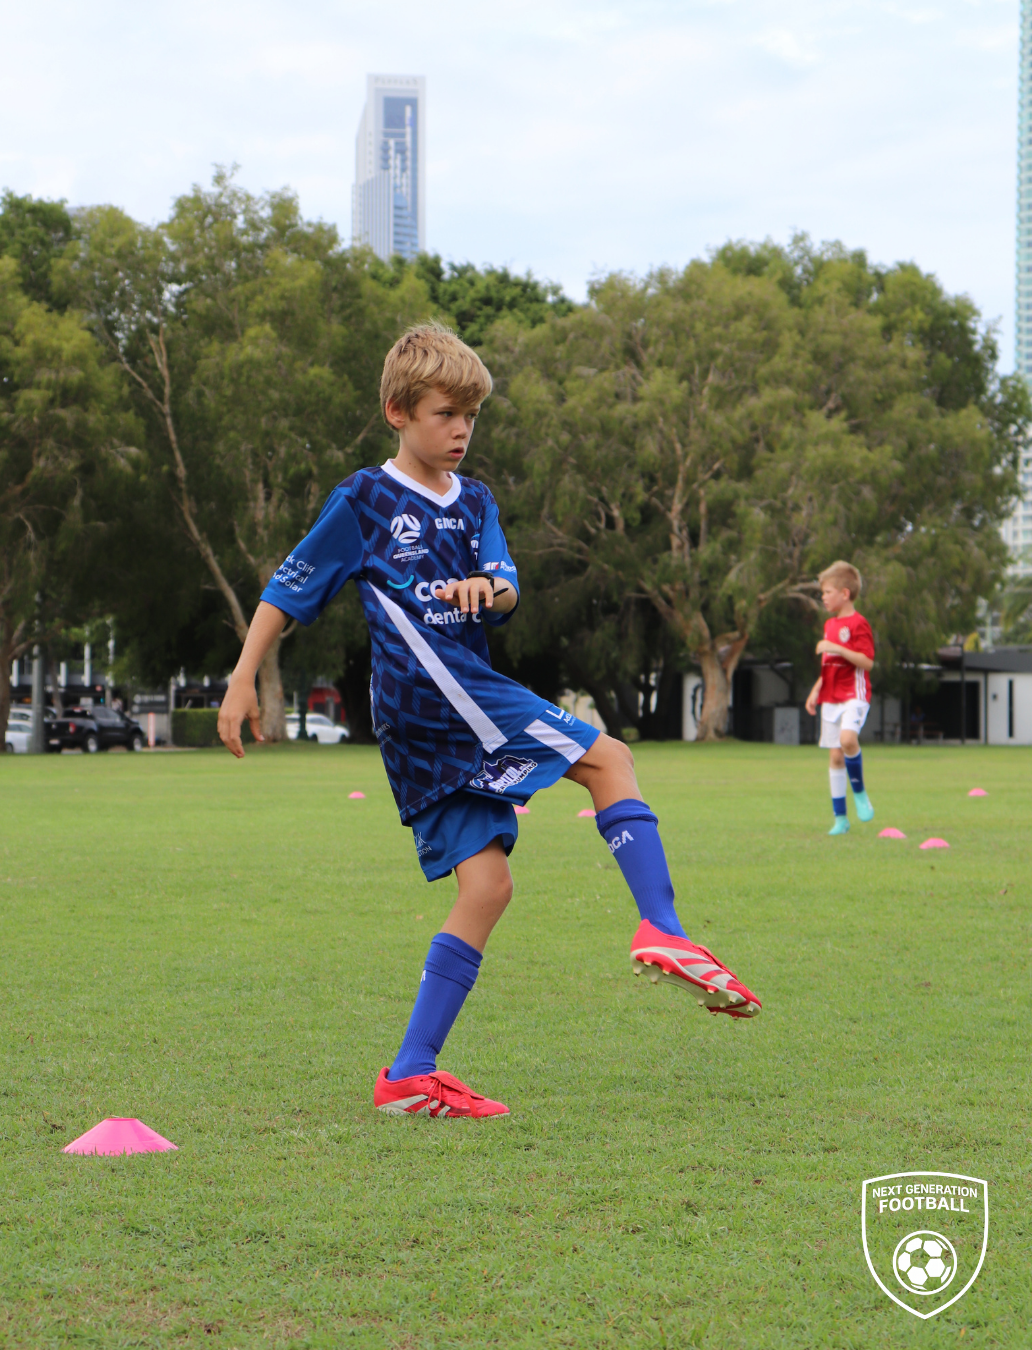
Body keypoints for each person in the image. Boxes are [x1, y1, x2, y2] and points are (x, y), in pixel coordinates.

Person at [217, 324, 761, 1120]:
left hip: (438, 710)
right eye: (446, 413)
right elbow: (287, 590)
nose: (462, 430)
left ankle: (409, 1072)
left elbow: (505, 584)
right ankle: (663, 926)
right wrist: (239, 681)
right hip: (437, 694)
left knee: (487, 886)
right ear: (398, 412)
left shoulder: (475, 502)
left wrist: (486, 590)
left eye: (472, 415)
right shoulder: (365, 499)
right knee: (608, 759)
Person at [805, 561, 875, 836]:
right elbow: (829, 664)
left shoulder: (858, 624)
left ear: (845, 593)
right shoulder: (829, 624)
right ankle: (841, 819)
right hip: (831, 695)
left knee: (847, 740)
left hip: (854, 694)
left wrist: (836, 646)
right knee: (835, 757)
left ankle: (859, 793)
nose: (823, 596)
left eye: (828, 591)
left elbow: (866, 662)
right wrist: (816, 689)